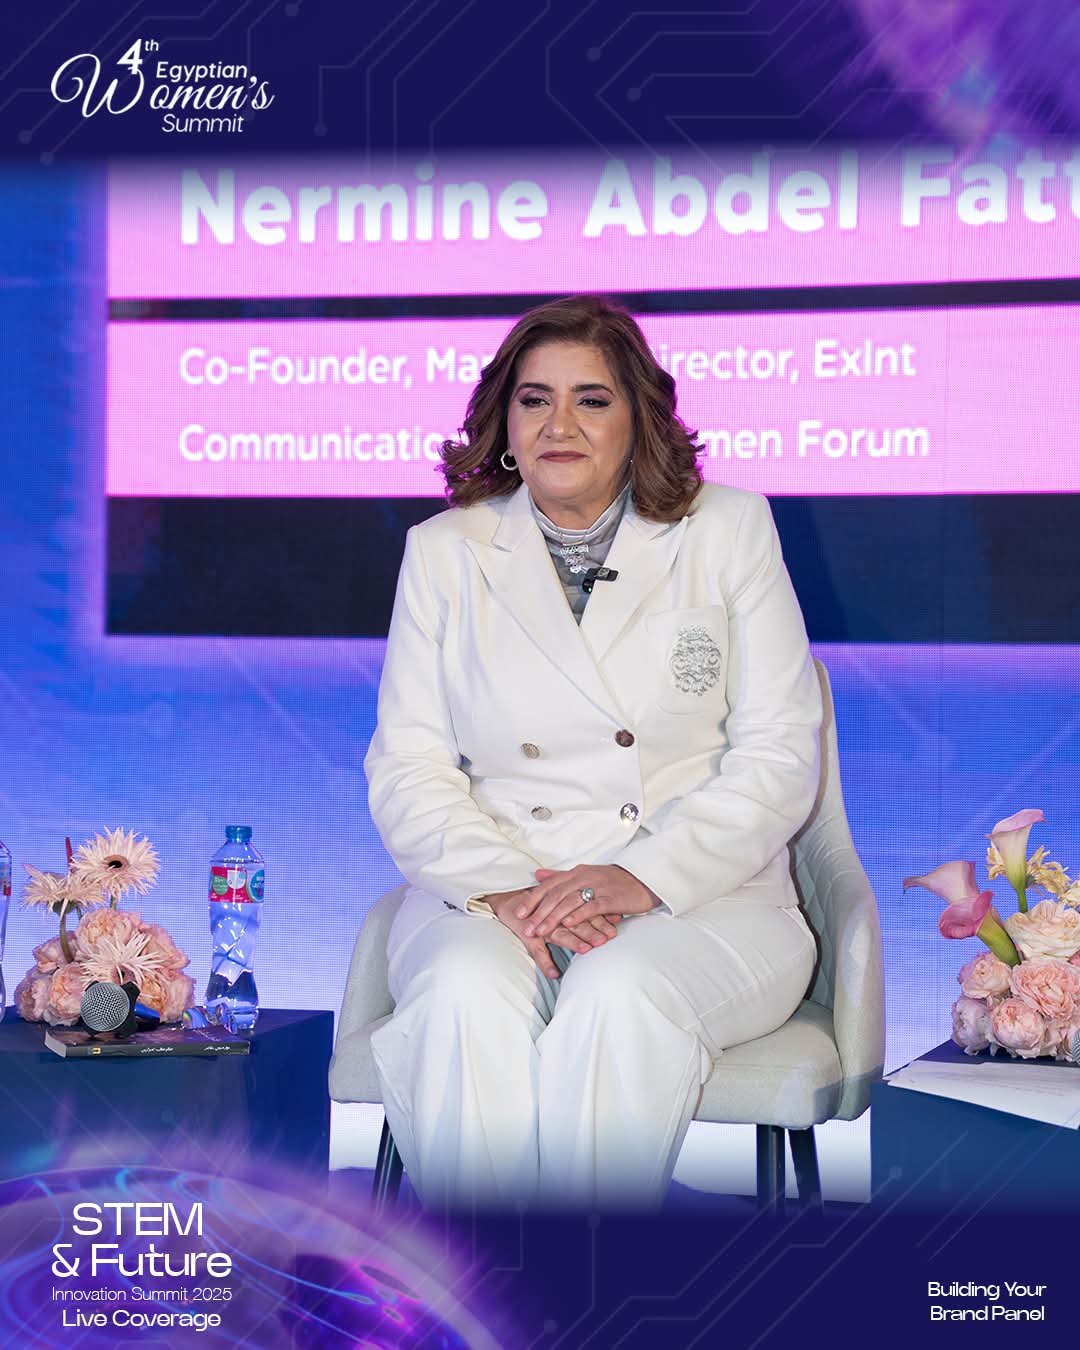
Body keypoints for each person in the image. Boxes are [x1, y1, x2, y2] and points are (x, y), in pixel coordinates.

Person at [364, 295, 822, 1211]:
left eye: (592, 400)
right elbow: (407, 765)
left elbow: (779, 754)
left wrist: (639, 877)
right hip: (498, 885)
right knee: (462, 994)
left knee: (617, 992)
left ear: (639, 416)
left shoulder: (728, 529)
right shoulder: (444, 551)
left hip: (705, 894)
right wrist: (506, 889)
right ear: (505, 422)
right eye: (534, 400)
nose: (559, 425)